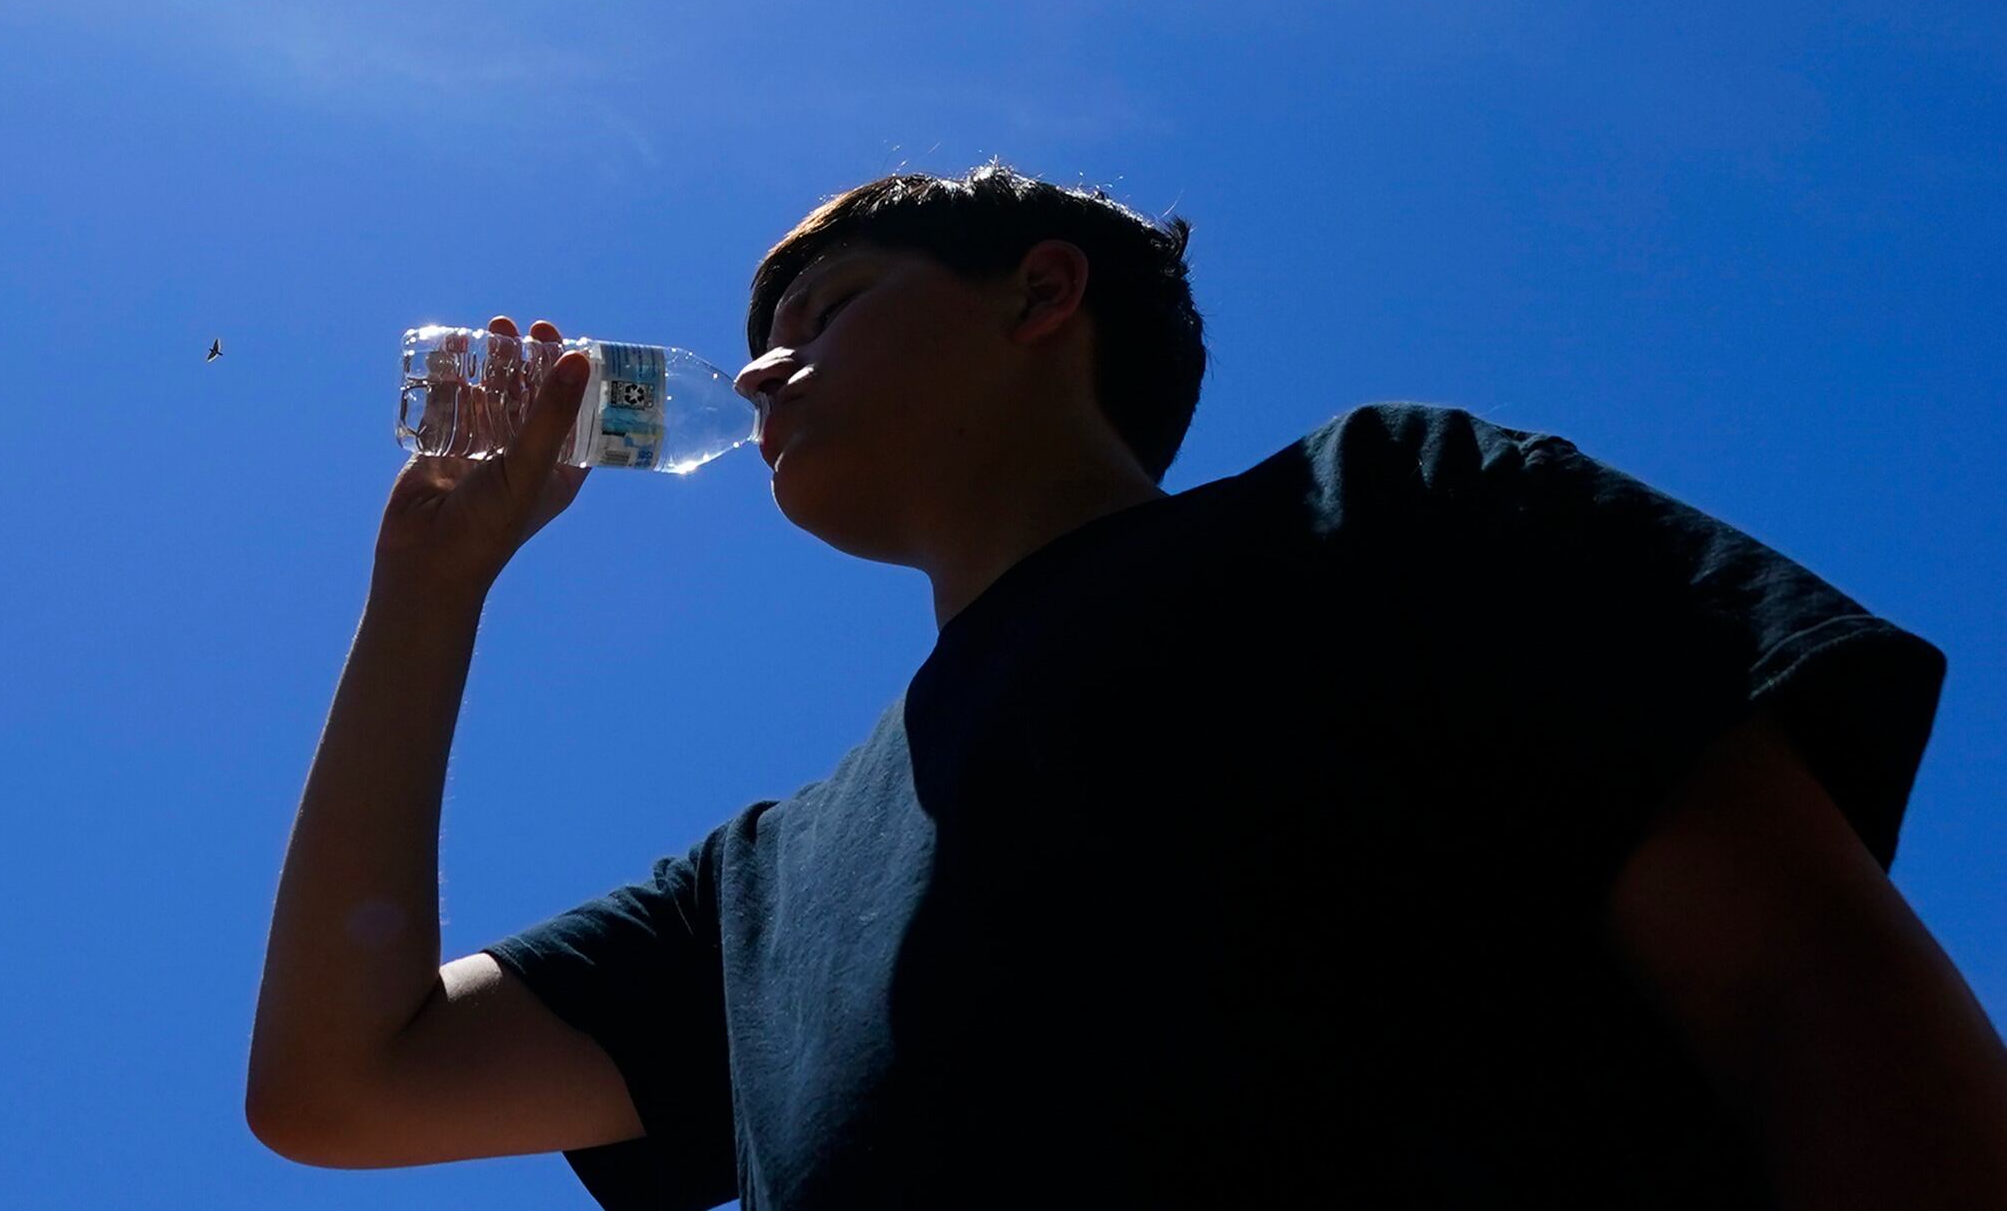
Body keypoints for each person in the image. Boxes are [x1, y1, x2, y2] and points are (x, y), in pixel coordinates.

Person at [248, 165, 2007, 1208]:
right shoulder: (761, 891)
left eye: (825, 307)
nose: (761, 373)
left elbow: (1808, 989)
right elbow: (343, 1083)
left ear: (1042, 295)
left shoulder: (1387, 507)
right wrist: (430, 591)